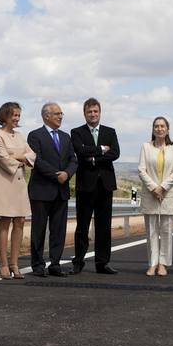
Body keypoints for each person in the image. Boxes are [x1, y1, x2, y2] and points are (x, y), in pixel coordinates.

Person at [70, 97, 121, 274]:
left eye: (95, 111)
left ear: (100, 112)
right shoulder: (76, 132)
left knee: (104, 226)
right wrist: (101, 150)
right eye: (89, 111)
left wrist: (92, 157)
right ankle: (78, 261)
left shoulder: (110, 131)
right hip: (85, 185)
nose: (93, 114)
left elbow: (115, 153)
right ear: (84, 114)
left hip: (105, 185)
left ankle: (102, 263)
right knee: (82, 226)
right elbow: (80, 151)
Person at [27, 102, 77, 276]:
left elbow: (73, 159)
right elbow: (37, 161)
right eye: (57, 114)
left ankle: (55, 264)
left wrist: (67, 173)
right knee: (38, 230)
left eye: (61, 114)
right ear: (46, 116)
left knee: (58, 231)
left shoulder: (66, 137)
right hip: (41, 190)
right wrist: (56, 175)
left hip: (61, 191)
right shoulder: (35, 136)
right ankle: (38, 265)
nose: (60, 116)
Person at [0, 102, 33, 279]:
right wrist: (21, 158)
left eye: (18, 116)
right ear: (5, 116)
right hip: (4, 183)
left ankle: (15, 264)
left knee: (20, 221)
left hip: (20, 183)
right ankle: (3, 264)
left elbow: (32, 156)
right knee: (5, 221)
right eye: (14, 115)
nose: (16, 119)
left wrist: (17, 156)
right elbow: (2, 159)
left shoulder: (21, 136)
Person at [138, 116, 173, 277]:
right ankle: (152, 263)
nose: (159, 129)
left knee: (166, 231)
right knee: (151, 231)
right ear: (153, 129)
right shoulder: (146, 147)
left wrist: (162, 187)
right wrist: (154, 187)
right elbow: (141, 170)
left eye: (162, 126)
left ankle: (163, 263)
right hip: (150, 194)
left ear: (167, 129)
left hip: (167, 194)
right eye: (156, 126)